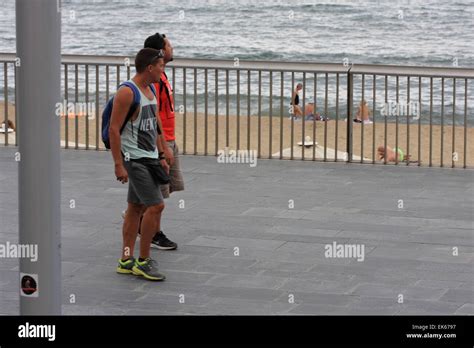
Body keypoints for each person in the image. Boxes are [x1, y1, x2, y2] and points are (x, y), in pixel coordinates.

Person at [110, 48, 169, 281]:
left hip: (150, 157)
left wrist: (162, 154)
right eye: (161, 67)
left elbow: (153, 124)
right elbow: (114, 129)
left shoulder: (151, 89)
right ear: (149, 68)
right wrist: (118, 164)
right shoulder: (127, 92)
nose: (163, 71)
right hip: (134, 160)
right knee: (156, 206)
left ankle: (126, 259)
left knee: (135, 208)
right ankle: (143, 262)